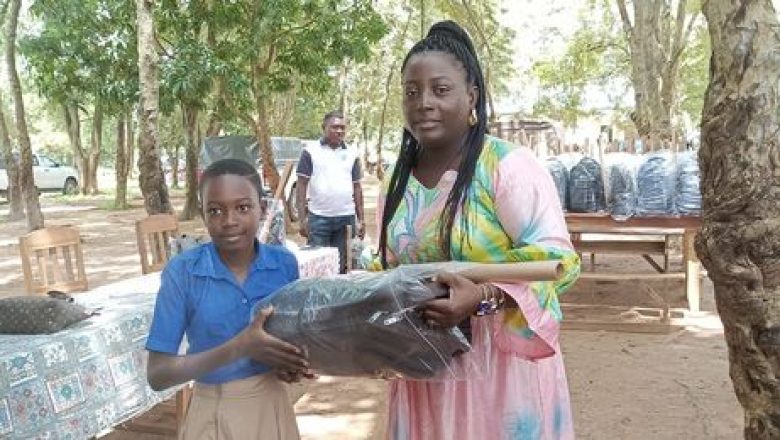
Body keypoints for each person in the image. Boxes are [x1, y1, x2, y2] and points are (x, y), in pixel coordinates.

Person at [369, 21, 581, 439]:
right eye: (412, 92)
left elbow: (559, 262)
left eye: (440, 89)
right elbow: (385, 266)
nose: (424, 103)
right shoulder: (395, 182)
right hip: (423, 375)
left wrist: (483, 297)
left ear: (472, 98)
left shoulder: (506, 167)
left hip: (499, 381)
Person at [145, 158, 311, 440]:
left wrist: (291, 366)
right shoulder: (183, 272)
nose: (230, 221)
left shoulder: (283, 265)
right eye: (216, 210)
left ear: (262, 206)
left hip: (272, 407)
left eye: (243, 207)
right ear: (204, 214)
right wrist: (241, 346)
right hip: (213, 413)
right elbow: (158, 374)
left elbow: (292, 343)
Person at [296, 111, 365, 273]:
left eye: (342, 128)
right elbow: (301, 186)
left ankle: (339, 298)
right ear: (324, 128)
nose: (339, 131)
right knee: (317, 267)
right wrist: (302, 219)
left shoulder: (352, 153)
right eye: (335, 127)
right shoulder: (310, 151)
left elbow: (357, 187)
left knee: (341, 267)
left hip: (346, 219)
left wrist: (361, 219)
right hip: (319, 219)